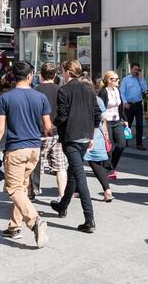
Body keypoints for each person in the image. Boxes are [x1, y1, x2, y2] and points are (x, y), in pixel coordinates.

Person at [0, 61, 50, 248]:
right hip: (34, 149)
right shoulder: (40, 97)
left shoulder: (5, 98)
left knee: (14, 189)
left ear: (13, 76)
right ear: (30, 76)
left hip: (16, 149)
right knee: (22, 187)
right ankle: (14, 226)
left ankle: (34, 220)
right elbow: (47, 127)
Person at [49, 60, 101, 233]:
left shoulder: (64, 90)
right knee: (73, 173)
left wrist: (52, 126)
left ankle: (89, 219)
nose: (62, 74)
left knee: (80, 178)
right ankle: (63, 205)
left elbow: (62, 116)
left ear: (68, 72)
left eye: (63, 71)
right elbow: (97, 114)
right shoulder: (88, 88)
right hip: (85, 137)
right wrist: (92, 134)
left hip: (71, 138)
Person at [33, 62, 67, 201]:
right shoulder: (61, 89)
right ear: (55, 75)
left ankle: (33, 191)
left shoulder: (36, 90)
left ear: (41, 75)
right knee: (60, 165)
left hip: (40, 132)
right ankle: (62, 196)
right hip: (58, 132)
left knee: (36, 163)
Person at [83, 77, 114, 202]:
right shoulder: (98, 100)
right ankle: (107, 190)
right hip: (97, 134)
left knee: (75, 164)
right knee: (96, 164)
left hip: (83, 134)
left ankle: (74, 191)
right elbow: (103, 117)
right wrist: (105, 132)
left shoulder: (80, 101)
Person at [98, 71, 127, 180]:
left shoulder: (117, 90)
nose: (118, 81)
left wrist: (124, 118)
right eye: (115, 79)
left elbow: (120, 106)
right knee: (108, 147)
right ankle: (108, 169)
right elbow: (100, 108)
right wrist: (101, 123)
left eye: (118, 79)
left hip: (117, 121)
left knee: (121, 144)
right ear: (109, 81)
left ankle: (112, 166)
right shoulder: (103, 92)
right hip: (106, 122)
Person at [120, 62, 148, 150]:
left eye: (138, 70)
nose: (136, 71)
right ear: (131, 69)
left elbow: (145, 89)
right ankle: (125, 141)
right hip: (129, 104)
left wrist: (141, 79)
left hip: (138, 104)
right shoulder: (126, 79)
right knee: (128, 124)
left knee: (139, 124)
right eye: (135, 69)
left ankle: (139, 144)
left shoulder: (140, 79)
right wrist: (124, 102)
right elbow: (122, 92)